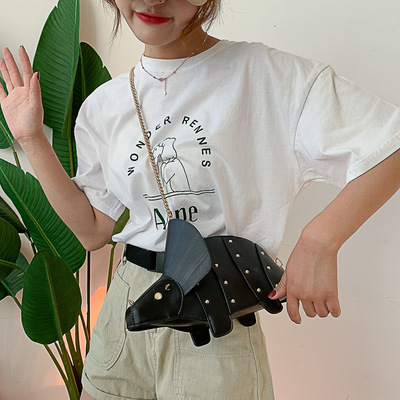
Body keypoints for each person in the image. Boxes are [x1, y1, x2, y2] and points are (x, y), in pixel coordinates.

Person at [1, 0, 400, 399]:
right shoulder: (103, 106)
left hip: (213, 310)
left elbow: (390, 146)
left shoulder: (269, 77)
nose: (152, 1)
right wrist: (31, 139)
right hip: (127, 306)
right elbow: (92, 231)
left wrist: (318, 242)